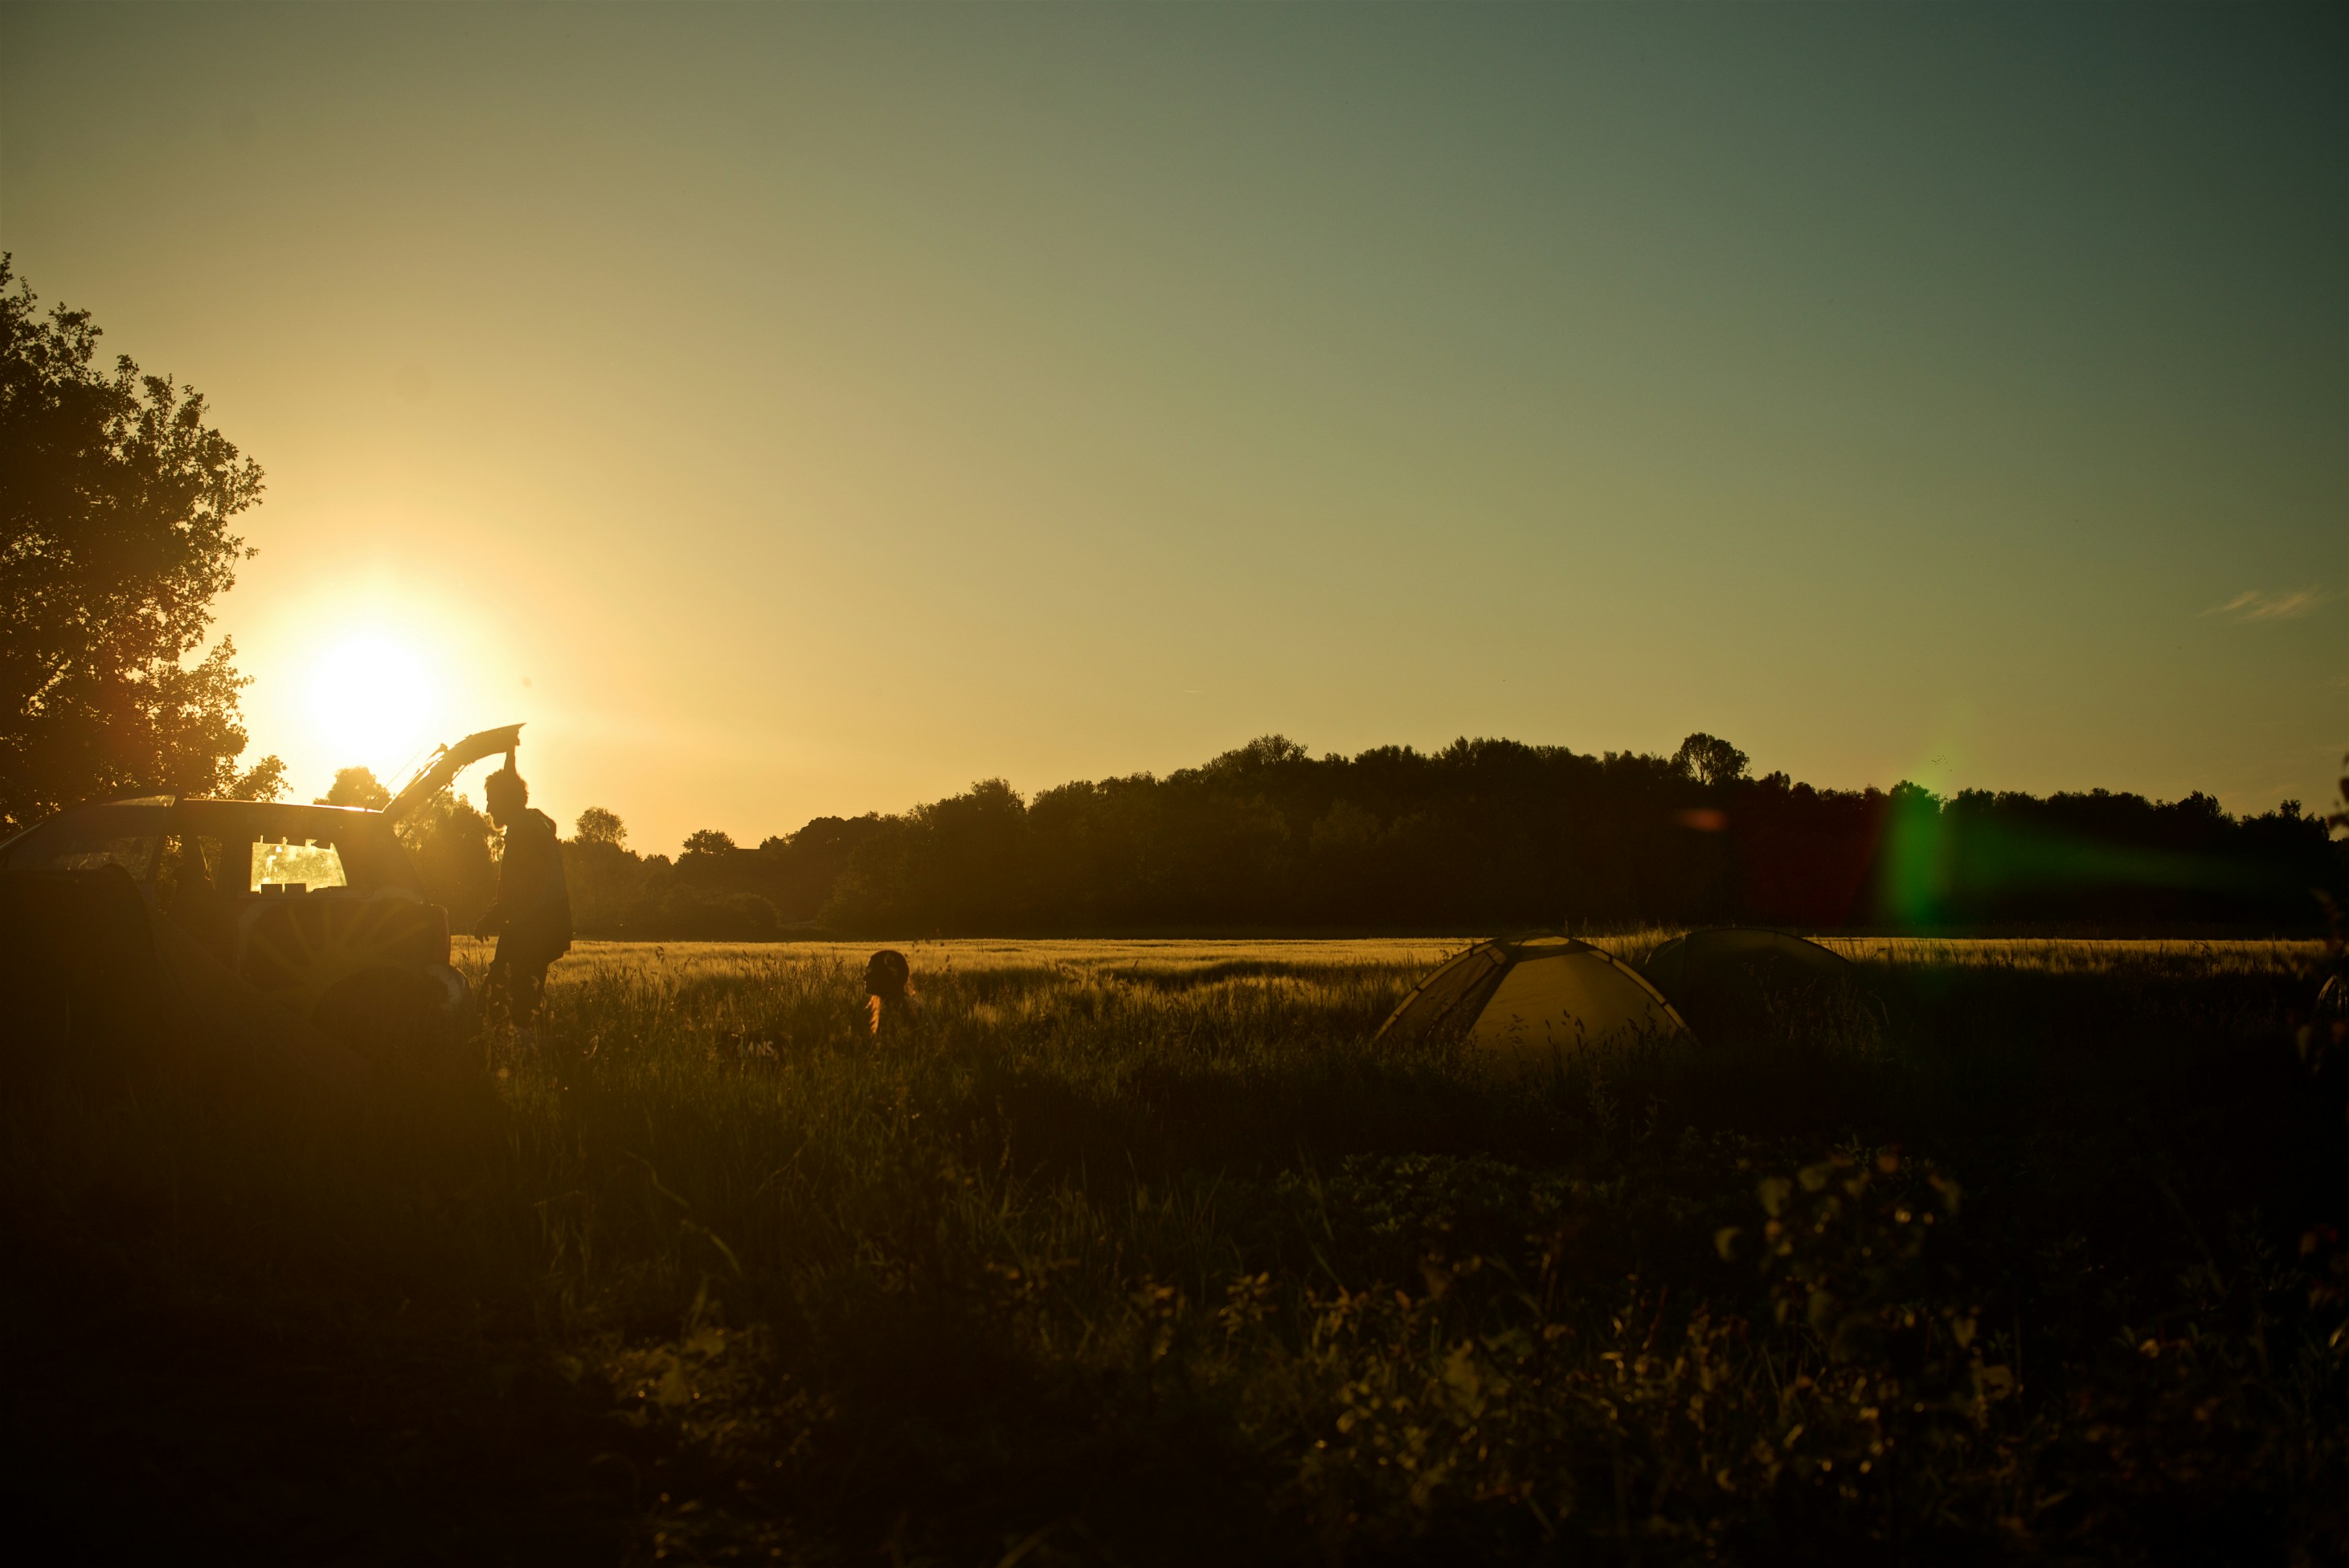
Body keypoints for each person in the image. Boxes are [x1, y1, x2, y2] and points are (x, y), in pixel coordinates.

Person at [479, 760, 572, 1046]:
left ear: (505, 800)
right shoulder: (535, 824)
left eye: (491, 800)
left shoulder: (523, 832)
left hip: (532, 929)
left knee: (505, 1005)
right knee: (521, 1005)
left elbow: (526, 887)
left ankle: (532, 1060)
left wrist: (493, 917)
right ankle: (544, 1058)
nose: (487, 809)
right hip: (542, 927)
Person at [865, 948, 912, 1038]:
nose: (865, 977)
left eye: (870, 972)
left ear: (884, 977)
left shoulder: (899, 1009)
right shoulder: (896, 1003)